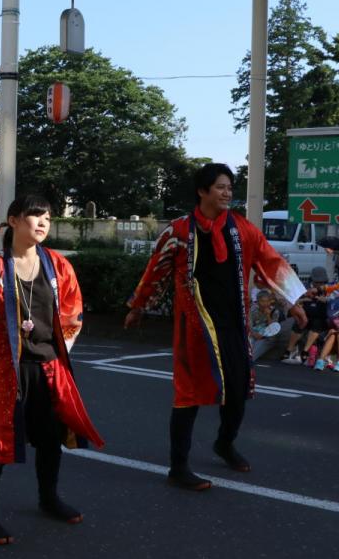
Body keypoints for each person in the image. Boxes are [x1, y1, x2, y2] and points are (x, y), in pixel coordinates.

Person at [125, 163, 308, 486]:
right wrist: (139, 306)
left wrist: (292, 301)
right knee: (189, 395)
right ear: (202, 191)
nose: (227, 193)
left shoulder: (241, 228)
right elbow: (157, 270)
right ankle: (178, 467)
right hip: (194, 326)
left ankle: (225, 443)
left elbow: (269, 261)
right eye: (221, 187)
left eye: (229, 188)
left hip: (234, 323)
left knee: (238, 389)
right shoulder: (179, 231)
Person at [0, 194, 103, 545]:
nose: (43, 222)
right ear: (13, 221)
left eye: (48, 217)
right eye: (35, 215)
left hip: (49, 366)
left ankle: (48, 498)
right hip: (7, 368)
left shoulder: (58, 265)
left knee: (50, 438)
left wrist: (61, 349)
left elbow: (73, 312)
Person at [282, 266, 330, 365]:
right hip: (305, 314)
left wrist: (326, 301)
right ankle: (289, 349)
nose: (319, 284)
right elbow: (293, 301)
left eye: (321, 282)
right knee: (299, 322)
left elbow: (333, 304)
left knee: (317, 324)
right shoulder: (304, 287)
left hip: (319, 317)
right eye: (317, 282)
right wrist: (303, 300)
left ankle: (305, 350)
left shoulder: (328, 289)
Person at [248, 289, 283, 362]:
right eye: (262, 301)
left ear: (270, 301)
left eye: (267, 301)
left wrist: (268, 316)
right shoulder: (253, 309)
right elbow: (249, 323)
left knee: (253, 355)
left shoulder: (275, 311)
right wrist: (254, 333)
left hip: (267, 337)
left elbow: (273, 329)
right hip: (254, 334)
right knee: (248, 347)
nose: (265, 304)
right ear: (257, 301)